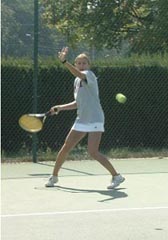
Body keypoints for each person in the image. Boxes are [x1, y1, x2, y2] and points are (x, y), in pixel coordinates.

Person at [45, 47, 125, 189]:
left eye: (84, 63)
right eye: (79, 63)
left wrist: (64, 62)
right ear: (76, 65)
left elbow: (79, 74)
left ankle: (116, 176)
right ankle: (54, 177)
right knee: (65, 147)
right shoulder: (76, 81)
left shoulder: (89, 75)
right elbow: (78, 103)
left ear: (88, 65)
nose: (81, 66)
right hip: (81, 120)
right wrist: (60, 108)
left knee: (93, 152)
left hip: (95, 119)